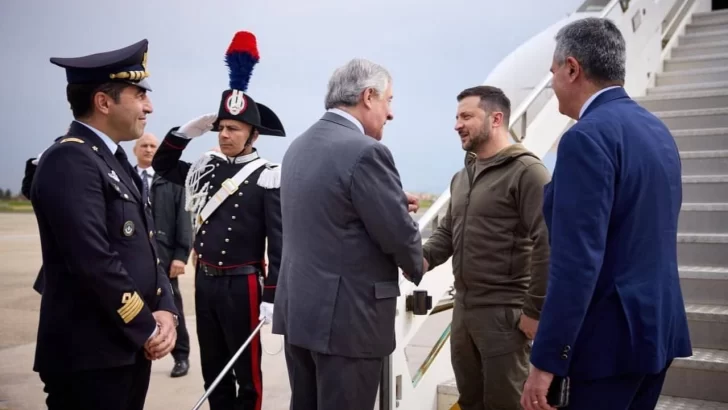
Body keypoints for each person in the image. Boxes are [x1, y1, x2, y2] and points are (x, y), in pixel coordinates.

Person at [521, 17, 692, 410]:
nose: (551, 83)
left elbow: (577, 263)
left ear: (572, 68)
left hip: (607, 346)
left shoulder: (585, 138)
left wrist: (546, 361)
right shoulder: (656, 131)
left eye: (552, 72)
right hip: (657, 332)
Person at [30, 39, 180, 410]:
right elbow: (93, 260)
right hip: (90, 355)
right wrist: (145, 325)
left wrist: (165, 308)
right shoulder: (70, 159)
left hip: (125, 348)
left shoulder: (113, 160)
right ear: (103, 102)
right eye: (139, 95)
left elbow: (147, 245)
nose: (149, 106)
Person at [272, 58, 425, 410]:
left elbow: (329, 209)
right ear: (368, 96)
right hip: (348, 324)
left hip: (301, 314)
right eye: (388, 100)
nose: (390, 113)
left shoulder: (298, 146)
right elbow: (398, 235)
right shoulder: (366, 151)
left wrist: (387, 199)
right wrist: (416, 262)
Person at [152, 31, 284, 410]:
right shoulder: (205, 168)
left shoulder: (268, 175)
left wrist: (272, 295)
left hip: (244, 285)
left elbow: (280, 243)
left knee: (247, 375)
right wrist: (183, 134)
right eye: (221, 127)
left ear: (253, 134)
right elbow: (163, 166)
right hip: (206, 281)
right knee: (214, 370)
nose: (224, 135)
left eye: (234, 129)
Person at [421, 85, 550, 410]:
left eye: (466, 116)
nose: (457, 125)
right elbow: (446, 233)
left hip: (505, 317)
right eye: (457, 117)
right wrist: (417, 258)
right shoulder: (462, 177)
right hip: (464, 314)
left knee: (506, 405)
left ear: (496, 118)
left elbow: (548, 242)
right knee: (470, 403)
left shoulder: (528, 172)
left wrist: (534, 311)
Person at [133, 132, 193, 378]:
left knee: (172, 306)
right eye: (144, 145)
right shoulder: (125, 175)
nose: (149, 149)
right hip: (134, 257)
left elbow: (185, 218)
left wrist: (181, 254)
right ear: (135, 150)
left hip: (165, 257)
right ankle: (136, 352)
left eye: (153, 146)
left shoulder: (172, 179)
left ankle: (181, 356)